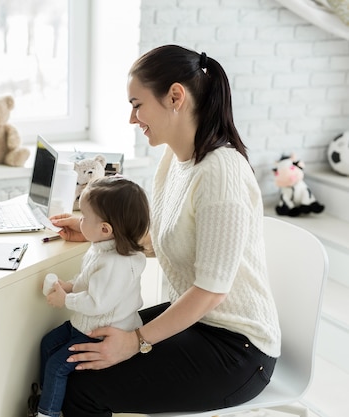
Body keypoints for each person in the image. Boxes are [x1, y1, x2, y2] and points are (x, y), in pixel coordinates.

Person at [49, 45, 281, 416]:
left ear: (175, 96)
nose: (131, 118)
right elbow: (165, 239)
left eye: (137, 104)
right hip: (197, 323)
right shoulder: (174, 159)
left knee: (83, 386)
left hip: (237, 351)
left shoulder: (222, 172)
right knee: (76, 353)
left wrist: (135, 342)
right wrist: (100, 231)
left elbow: (210, 291)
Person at [33, 176, 150, 417]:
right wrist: (70, 286)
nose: (80, 221)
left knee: (57, 367)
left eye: (84, 218)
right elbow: (88, 280)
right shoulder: (102, 248)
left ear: (105, 229)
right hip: (85, 325)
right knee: (48, 343)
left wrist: (65, 301)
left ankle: (48, 412)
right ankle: (49, 397)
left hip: (99, 333)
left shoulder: (116, 264)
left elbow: (97, 303)